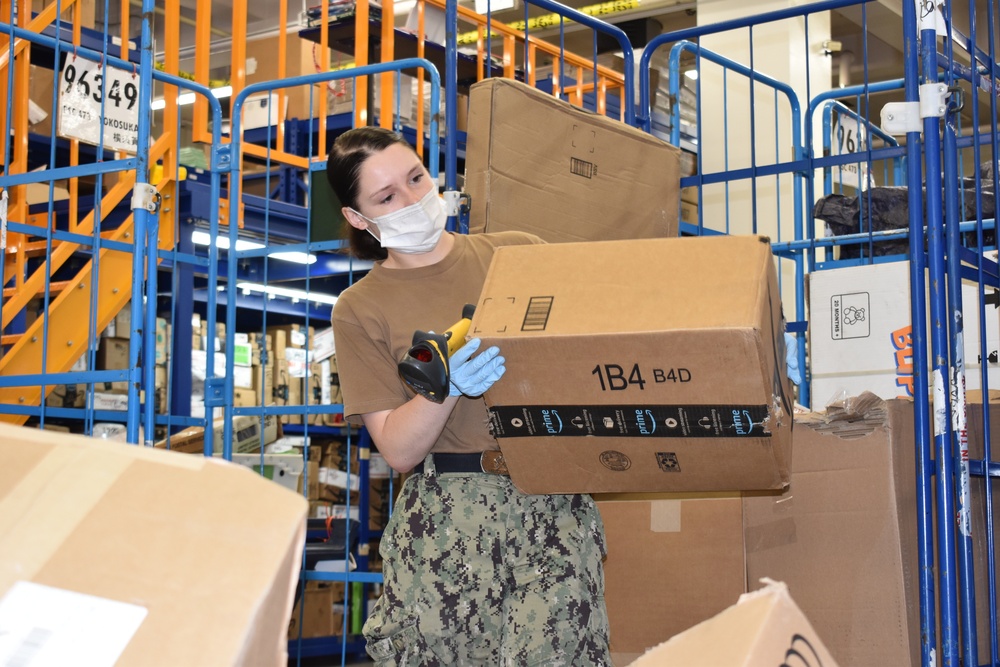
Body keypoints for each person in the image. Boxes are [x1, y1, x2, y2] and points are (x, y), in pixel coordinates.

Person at [327, 126, 611, 666]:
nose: (412, 200)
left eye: (416, 179)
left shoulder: (517, 256)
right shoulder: (360, 309)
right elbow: (398, 449)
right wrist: (446, 387)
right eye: (387, 197)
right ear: (358, 219)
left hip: (551, 501)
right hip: (446, 520)